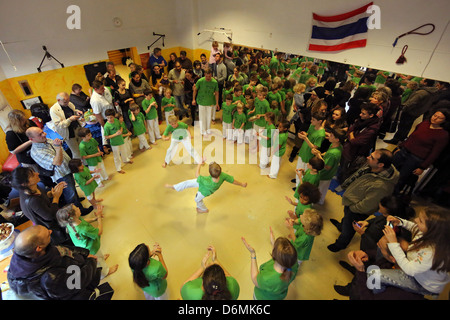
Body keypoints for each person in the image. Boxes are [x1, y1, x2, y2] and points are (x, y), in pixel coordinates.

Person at [7, 225, 111, 300]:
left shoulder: (33, 253)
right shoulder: (52, 277)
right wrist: (91, 262)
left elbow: (62, 249)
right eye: (48, 234)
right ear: (39, 248)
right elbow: (78, 281)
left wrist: (85, 253)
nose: (51, 231)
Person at [328, 149, 399, 252]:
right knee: (346, 219)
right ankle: (341, 226)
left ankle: (341, 244)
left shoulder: (382, 186)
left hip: (357, 210)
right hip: (352, 201)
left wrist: (352, 208)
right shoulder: (373, 167)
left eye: (372, 157)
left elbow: (367, 205)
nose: (368, 157)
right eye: (371, 155)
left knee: (349, 228)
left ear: (380, 165)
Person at [372, 205, 450, 296]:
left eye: (420, 220)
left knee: (373, 275)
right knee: (383, 244)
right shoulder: (428, 233)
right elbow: (414, 226)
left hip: (421, 283)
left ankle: (377, 295)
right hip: (416, 265)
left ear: (432, 230)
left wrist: (393, 243)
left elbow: (409, 270)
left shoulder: (431, 254)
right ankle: (380, 265)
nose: (416, 220)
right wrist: (400, 222)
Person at [26, 127, 93, 216]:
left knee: (72, 187)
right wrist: (58, 148)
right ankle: (78, 210)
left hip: (67, 169)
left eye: (42, 132)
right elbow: (57, 162)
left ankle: (76, 200)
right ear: (31, 139)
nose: (44, 134)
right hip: (61, 175)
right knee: (70, 193)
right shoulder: (36, 152)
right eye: (40, 134)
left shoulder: (46, 140)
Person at [391, 109, 449, 195]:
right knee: (390, 170)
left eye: (439, 118)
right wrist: (400, 147)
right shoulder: (424, 124)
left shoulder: (443, 135)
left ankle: (391, 198)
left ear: (444, 121)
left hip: (415, 158)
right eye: (435, 115)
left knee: (401, 179)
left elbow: (435, 153)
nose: (435, 118)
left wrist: (422, 167)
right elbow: (411, 136)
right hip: (404, 151)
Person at [56, 204, 118, 280]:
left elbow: (82, 221)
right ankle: (105, 273)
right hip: (91, 248)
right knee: (98, 262)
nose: (79, 208)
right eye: (77, 209)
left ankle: (101, 258)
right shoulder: (84, 229)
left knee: (99, 257)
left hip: (86, 248)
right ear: (72, 217)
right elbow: (99, 231)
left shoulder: (70, 223)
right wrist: (99, 217)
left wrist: (94, 219)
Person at [11, 167, 71, 245]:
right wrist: (56, 197)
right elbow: (50, 216)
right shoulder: (32, 200)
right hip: (50, 228)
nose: (37, 174)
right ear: (25, 184)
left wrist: (51, 194)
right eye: (32, 175)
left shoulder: (32, 187)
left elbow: (42, 197)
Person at [165, 161, 247, 213]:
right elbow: (233, 181)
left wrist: (199, 164)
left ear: (210, 173)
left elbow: (197, 175)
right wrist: (242, 184)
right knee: (188, 182)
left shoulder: (205, 180)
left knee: (197, 199)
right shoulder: (222, 175)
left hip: (204, 191)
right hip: (205, 185)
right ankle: (175, 187)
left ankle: (204, 210)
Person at [241, 235, 298, 300]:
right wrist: (274, 243)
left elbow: (254, 278)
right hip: (278, 297)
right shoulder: (293, 264)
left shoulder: (267, 278)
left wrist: (253, 254)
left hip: (262, 297)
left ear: (274, 254)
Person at [384, 78, 437, 145]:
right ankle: (401, 138)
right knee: (407, 126)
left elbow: (412, 102)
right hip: (418, 111)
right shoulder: (432, 92)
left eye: (422, 80)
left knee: (403, 126)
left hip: (410, 111)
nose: (420, 81)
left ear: (425, 83)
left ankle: (396, 139)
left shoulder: (421, 92)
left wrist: (404, 108)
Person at [339, 103, 381, 183]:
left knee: (346, 169)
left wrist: (351, 134)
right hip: (348, 148)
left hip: (354, 152)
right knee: (343, 164)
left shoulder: (371, 129)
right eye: (361, 112)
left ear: (371, 115)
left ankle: (343, 182)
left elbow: (356, 142)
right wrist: (351, 133)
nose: (360, 114)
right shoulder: (361, 121)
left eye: (363, 113)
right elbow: (351, 128)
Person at [311, 128, 345, 205]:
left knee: (319, 188)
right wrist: (321, 154)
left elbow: (327, 167)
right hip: (330, 173)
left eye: (332, 135)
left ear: (337, 139)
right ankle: (320, 200)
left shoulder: (333, 153)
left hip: (325, 174)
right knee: (323, 188)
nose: (329, 135)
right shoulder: (337, 146)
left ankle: (316, 201)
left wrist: (318, 155)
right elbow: (327, 153)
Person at [294, 111, 326, 186]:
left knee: (304, 171)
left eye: (313, 120)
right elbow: (308, 134)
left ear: (320, 121)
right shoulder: (312, 126)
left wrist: (305, 138)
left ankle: (299, 186)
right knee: (299, 167)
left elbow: (314, 148)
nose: (311, 121)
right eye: (311, 119)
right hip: (303, 150)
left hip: (308, 155)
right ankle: (297, 181)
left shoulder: (321, 134)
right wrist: (303, 134)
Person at [50, 92, 83, 159]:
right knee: (76, 152)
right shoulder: (53, 110)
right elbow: (58, 125)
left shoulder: (69, 103)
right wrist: (70, 120)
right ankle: (79, 167)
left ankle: (86, 165)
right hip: (68, 133)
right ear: (58, 100)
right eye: (65, 102)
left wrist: (77, 112)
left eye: (68, 101)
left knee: (82, 148)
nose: (67, 103)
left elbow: (72, 110)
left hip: (76, 128)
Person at [104, 108, 134, 174]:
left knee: (123, 151)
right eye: (108, 118)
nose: (109, 119)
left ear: (114, 116)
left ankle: (126, 160)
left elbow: (121, 126)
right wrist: (115, 134)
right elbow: (106, 136)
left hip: (120, 139)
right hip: (114, 143)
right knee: (117, 156)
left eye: (111, 117)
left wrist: (120, 131)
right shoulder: (106, 126)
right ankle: (118, 168)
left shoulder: (116, 121)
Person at [192, 69, 220, 136]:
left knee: (209, 117)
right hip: (201, 102)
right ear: (204, 75)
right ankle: (203, 130)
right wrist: (193, 99)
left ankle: (208, 129)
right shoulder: (200, 81)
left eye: (209, 76)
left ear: (211, 75)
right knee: (202, 117)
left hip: (210, 102)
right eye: (207, 76)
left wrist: (217, 103)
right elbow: (195, 90)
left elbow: (216, 93)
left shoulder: (214, 82)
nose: (208, 78)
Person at [90, 80, 115, 149]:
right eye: (101, 88)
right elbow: (98, 115)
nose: (104, 89)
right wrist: (104, 126)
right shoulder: (95, 100)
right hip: (106, 119)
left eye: (103, 87)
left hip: (113, 114)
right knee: (112, 136)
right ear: (95, 89)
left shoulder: (105, 89)